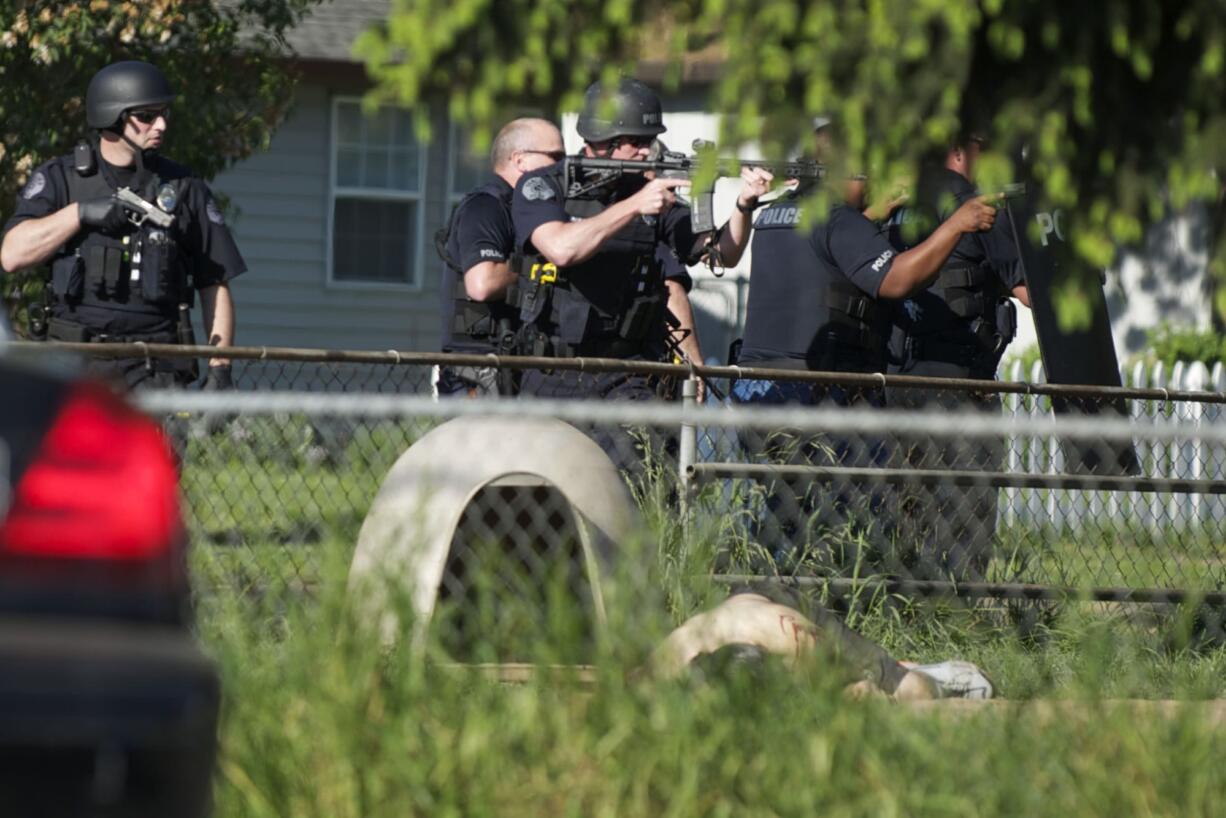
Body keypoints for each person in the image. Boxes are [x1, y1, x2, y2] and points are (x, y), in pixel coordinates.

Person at [732, 121, 999, 565]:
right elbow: (896, 279)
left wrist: (869, 220)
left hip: (759, 390)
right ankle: (829, 611)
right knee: (847, 520)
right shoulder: (837, 219)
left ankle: (768, 591)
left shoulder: (773, 215)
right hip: (819, 398)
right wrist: (956, 225)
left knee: (786, 514)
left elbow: (823, 263)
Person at [510, 77, 772, 469]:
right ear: (606, 140)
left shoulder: (650, 192)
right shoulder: (543, 185)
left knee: (632, 485)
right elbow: (562, 248)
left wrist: (744, 204)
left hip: (625, 374)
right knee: (543, 487)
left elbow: (721, 254)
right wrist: (634, 206)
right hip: (552, 372)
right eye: (639, 141)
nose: (648, 150)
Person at [0, 60, 244, 390]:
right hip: (72, 367)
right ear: (111, 117)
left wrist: (221, 369)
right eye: (146, 116)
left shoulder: (184, 187)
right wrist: (79, 214)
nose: (160, 125)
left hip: (154, 369)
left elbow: (214, 283)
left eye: (164, 114)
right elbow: (12, 255)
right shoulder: (62, 178)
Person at [884, 132, 1032, 580]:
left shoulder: (897, 204)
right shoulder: (980, 208)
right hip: (961, 381)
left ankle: (907, 595)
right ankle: (961, 602)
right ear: (963, 149)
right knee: (969, 503)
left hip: (899, 382)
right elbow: (1030, 293)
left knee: (907, 503)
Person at [436, 118, 565, 397]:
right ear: (520, 160)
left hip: (516, 366)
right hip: (479, 371)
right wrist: (540, 264)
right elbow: (481, 283)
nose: (562, 168)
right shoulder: (487, 206)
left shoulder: (527, 210)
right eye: (555, 157)